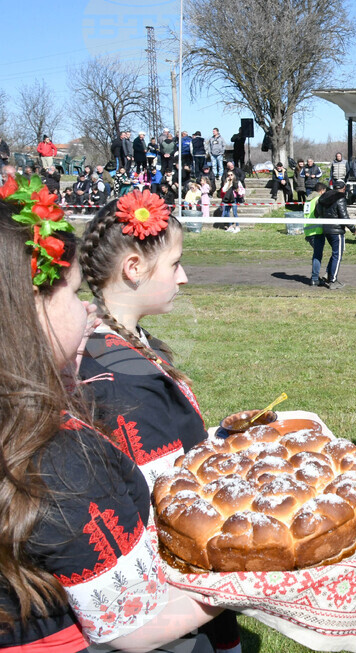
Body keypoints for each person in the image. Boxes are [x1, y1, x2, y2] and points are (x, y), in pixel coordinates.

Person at [0, 183, 223, 651]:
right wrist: (259, 574)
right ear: (27, 313)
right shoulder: (61, 455)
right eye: (72, 292)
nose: (86, 307)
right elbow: (134, 626)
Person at [304, 180, 355, 288]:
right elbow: (344, 216)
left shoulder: (322, 198)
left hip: (323, 229)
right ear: (344, 188)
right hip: (333, 230)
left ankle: (327, 274)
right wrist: (353, 228)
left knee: (333, 253)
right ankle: (332, 280)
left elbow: (317, 212)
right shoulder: (339, 198)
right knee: (337, 254)